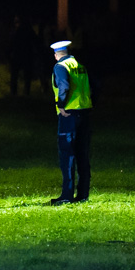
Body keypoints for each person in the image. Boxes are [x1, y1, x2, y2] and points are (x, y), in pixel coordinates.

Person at [49, 41, 94, 205]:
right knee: (82, 154)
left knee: (67, 155)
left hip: (69, 114)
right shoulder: (80, 65)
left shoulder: (60, 67)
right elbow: (92, 86)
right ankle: (83, 194)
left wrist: (61, 106)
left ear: (56, 55)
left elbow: (64, 86)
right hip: (85, 113)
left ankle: (67, 196)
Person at [8, 15, 37, 96]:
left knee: (16, 75)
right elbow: (35, 41)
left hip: (19, 55)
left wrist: (9, 53)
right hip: (25, 55)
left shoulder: (16, 31)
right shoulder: (28, 30)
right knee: (25, 75)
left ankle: (14, 92)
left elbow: (11, 43)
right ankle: (25, 92)